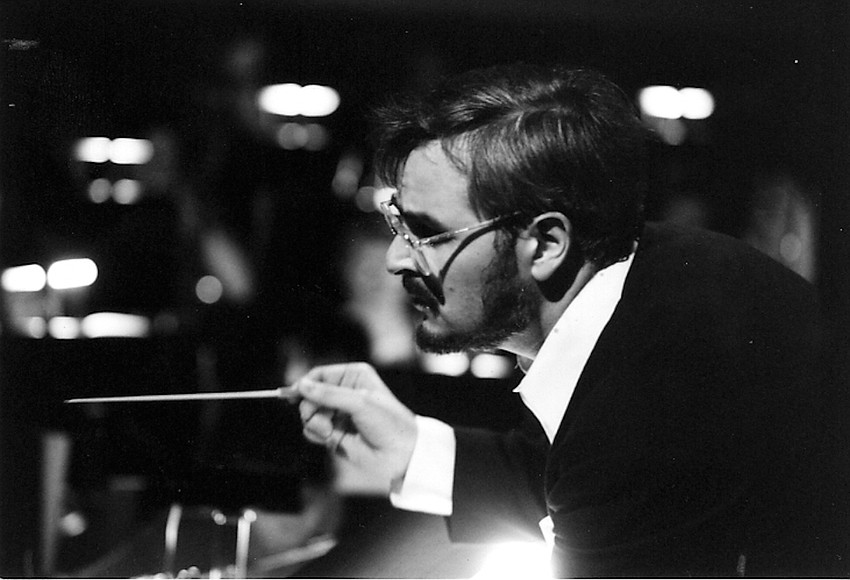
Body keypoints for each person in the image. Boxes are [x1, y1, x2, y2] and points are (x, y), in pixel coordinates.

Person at [292, 64, 847, 577]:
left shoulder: (656, 394)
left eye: (426, 232)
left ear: (547, 243)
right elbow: (575, 474)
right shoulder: (653, 288)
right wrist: (411, 448)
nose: (395, 258)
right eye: (395, 223)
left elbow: (612, 473)